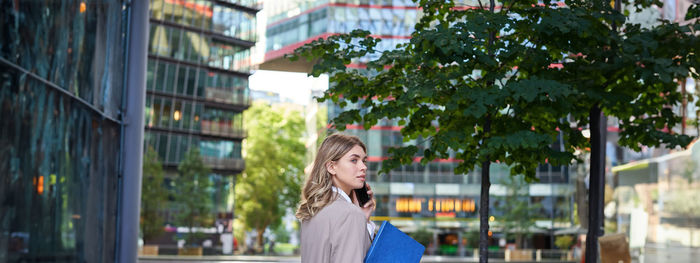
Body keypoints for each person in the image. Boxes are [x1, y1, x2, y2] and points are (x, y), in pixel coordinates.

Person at [296, 133, 376, 262]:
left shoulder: (312, 210)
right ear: (331, 167)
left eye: (364, 161)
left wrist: (364, 222)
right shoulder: (350, 214)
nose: (363, 167)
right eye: (354, 160)